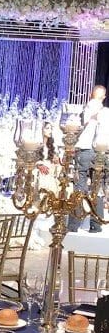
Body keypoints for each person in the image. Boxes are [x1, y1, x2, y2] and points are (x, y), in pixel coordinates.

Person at [67, 84, 107, 233]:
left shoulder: (87, 108)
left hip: (85, 150)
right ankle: (96, 225)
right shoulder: (106, 113)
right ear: (103, 96)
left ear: (91, 94)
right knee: (96, 188)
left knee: (79, 187)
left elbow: (76, 128)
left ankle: (73, 225)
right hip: (100, 152)